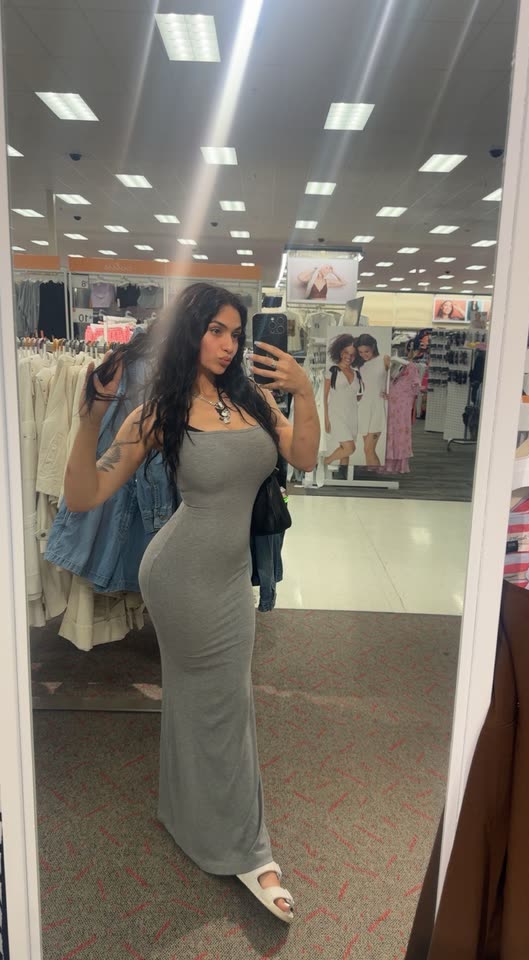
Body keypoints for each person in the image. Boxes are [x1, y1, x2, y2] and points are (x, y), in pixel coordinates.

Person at [63, 282, 320, 924]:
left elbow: (305, 456)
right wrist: (91, 415)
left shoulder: (253, 397)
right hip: (180, 576)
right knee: (227, 702)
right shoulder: (161, 412)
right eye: (215, 331)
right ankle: (250, 851)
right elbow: (85, 494)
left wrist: (308, 392)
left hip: (230, 575)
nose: (228, 345)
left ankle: (184, 812)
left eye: (236, 333)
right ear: (191, 332)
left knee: (205, 698)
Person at [323, 333, 362, 472]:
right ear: (340, 352)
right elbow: (324, 396)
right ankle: (324, 462)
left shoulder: (357, 374)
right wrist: (326, 418)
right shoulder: (332, 370)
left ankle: (343, 475)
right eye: (346, 352)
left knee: (345, 451)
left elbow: (357, 395)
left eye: (353, 354)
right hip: (336, 414)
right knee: (349, 448)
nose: (349, 357)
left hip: (352, 416)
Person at [353, 333, 391, 467]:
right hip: (364, 407)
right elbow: (364, 388)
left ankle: (374, 473)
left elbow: (397, 378)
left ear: (373, 347)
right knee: (367, 449)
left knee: (368, 449)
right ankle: (372, 472)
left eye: (367, 351)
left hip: (378, 407)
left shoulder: (384, 359)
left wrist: (391, 393)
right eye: (360, 352)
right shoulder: (361, 366)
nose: (364, 355)